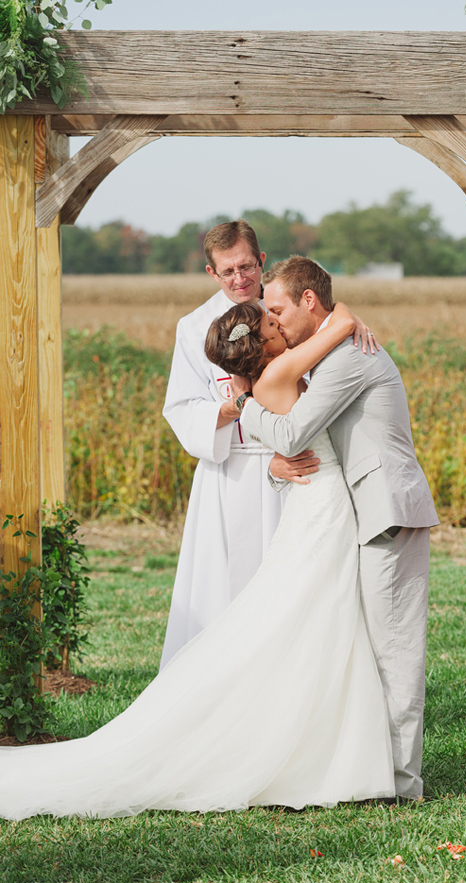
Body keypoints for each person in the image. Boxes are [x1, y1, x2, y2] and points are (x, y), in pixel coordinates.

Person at [0, 300, 395, 820]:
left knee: (312, 616)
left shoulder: (261, 379)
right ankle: (325, 757)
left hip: (318, 506)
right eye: (274, 324)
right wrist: (344, 317)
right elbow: (339, 321)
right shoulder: (281, 370)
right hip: (322, 509)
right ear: (261, 345)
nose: (283, 327)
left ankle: (330, 750)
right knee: (318, 616)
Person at [237, 257, 439, 802]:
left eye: (276, 309)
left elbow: (297, 428)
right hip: (358, 513)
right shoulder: (331, 347)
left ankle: (402, 785)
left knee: (394, 650)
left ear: (309, 302)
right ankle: (372, 769)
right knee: (369, 647)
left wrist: (240, 405)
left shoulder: (348, 355)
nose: (272, 321)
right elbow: (311, 451)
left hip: (386, 512)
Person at [159, 220, 316, 668]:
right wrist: (235, 408)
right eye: (227, 272)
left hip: (293, 461)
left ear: (262, 262)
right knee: (229, 590)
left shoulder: (285, 309)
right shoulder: (193, 329)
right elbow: (182, 408)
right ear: (211, 273)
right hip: (231, 470)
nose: (239, 279)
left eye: (246, 267)